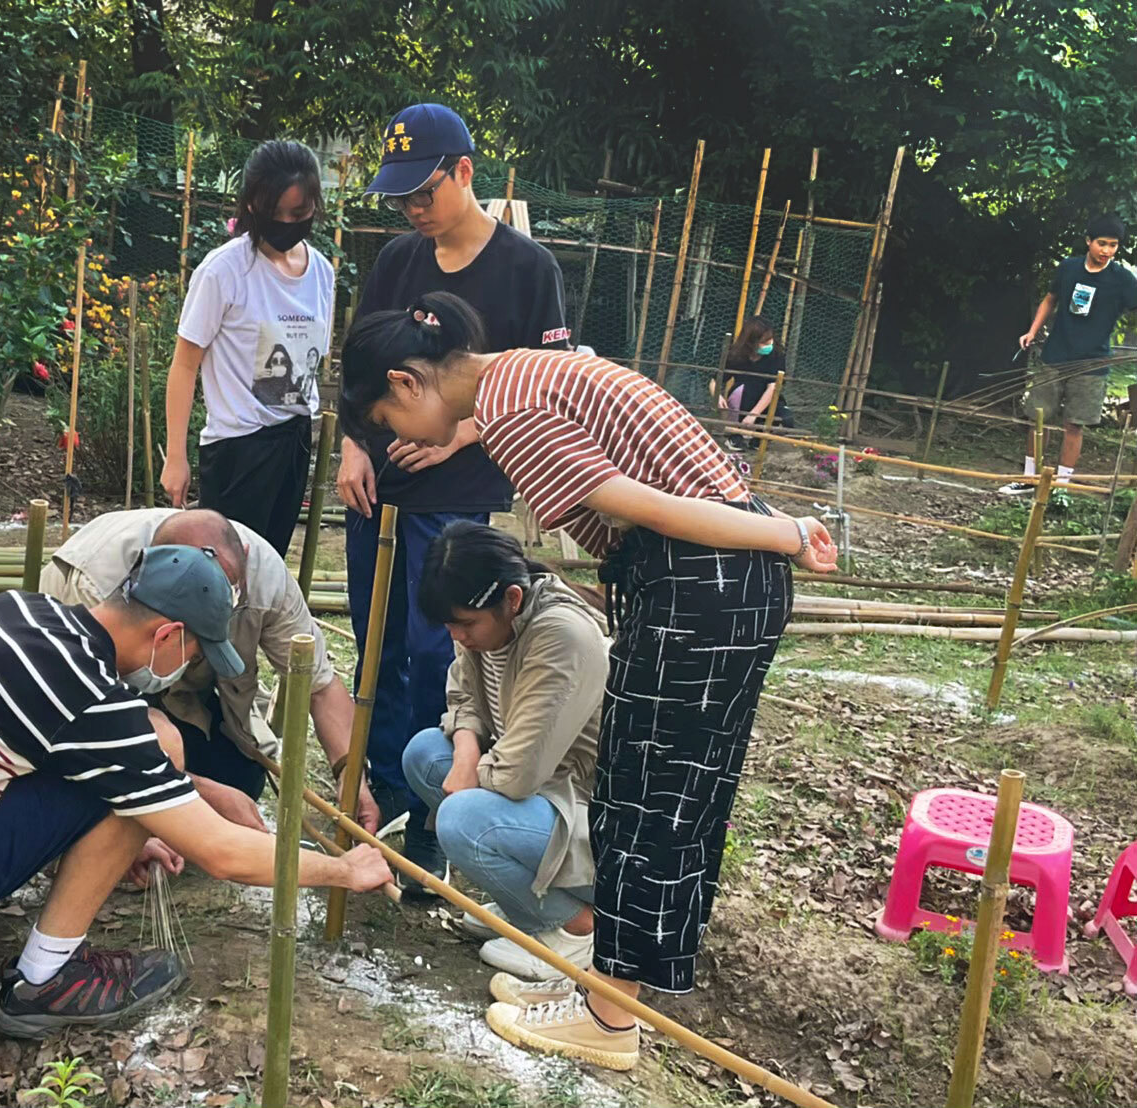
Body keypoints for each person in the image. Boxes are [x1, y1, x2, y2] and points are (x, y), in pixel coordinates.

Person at [339, 291, 836, 1071]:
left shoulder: (512, 415)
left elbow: (652, 508)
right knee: (657, 796)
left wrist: (787, 533)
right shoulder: (523, 374)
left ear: (406, 383)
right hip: (710, 576)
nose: (400, 441)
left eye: (387, 422)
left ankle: (609, 1021)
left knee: (650, 801)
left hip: (700, 576)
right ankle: (604, 991)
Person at [0, 546, 392, 1038]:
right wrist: (344, 870)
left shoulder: (20, 613)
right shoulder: (95, 702)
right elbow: (224, 855)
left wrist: (134, 827)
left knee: (136, 782)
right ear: (167, 635)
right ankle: (43, 982)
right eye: (195, 653)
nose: (189, 669)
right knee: (156, 752)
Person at [337, 103, 570, 885]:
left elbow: (539, 387)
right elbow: (363, 366)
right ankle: (377, 793)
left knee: (441, 647)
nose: (413, 210)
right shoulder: (399, 260)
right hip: (379, 487)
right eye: (401, 198)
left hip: (458, 492)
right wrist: (351, 447)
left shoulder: (528, 269)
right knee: (378, 647)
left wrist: (460, 432)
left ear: (466, 172)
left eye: (424, 191)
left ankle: (435, 820)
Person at [39, 508, 380, 834]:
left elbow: (319, 685)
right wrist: (197, 795)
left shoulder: (263, 575)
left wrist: (349, 773)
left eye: (227, 591)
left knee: (239, 780)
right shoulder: (94, 585)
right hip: (88, 707)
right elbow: (93, 737)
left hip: (183, 691)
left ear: (243, 555)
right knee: (114, 800)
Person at [402, 521, 604, 982]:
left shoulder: (561, 636)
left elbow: (516, 776)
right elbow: (463, 699)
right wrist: (467, 751)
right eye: (450, 624)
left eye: (465, 624)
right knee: (425, 755)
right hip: (540, 792)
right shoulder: (492, 624)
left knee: (462, 819)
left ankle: (576, 928)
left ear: (512, 599)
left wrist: (468, 775)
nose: (457, 636)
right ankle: (530, 907)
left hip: (590, 812)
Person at [162, 140, 334, 556]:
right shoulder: (225, 270)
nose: (287, 223)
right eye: (275, 213)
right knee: (225, 573)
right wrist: (175, 456)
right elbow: (185, 365)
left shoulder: (322, 273)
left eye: (299, 213)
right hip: (238, 448)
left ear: (315, 205)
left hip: (293, 440)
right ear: (252, 204)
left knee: (269, 570)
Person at [1001, 213, 1137, 494]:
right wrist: (1032, 331)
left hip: (1093, 363)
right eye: (1102, 243)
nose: (1107, 251)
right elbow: (1051, 298)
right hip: (1055, 355)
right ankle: (1029, 479)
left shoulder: (1123, 279)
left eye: (1113, 245)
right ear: (1088, 241)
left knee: (1075, 425)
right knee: (1039, 418)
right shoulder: (1068, 268)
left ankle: (1061, 486)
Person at [718, 315, 794, 450]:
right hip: (742, 399)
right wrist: (717, 395)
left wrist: (753, 415)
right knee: (741, 391)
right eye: (764, 342)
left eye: (770, 339)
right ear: (751, 342)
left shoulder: (776, 355)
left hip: (765, 400)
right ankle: (734, 437)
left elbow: (772, 388)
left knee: (786, 418)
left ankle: (759, 438)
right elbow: (715, 380)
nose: (769, 344)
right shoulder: (737, 355)